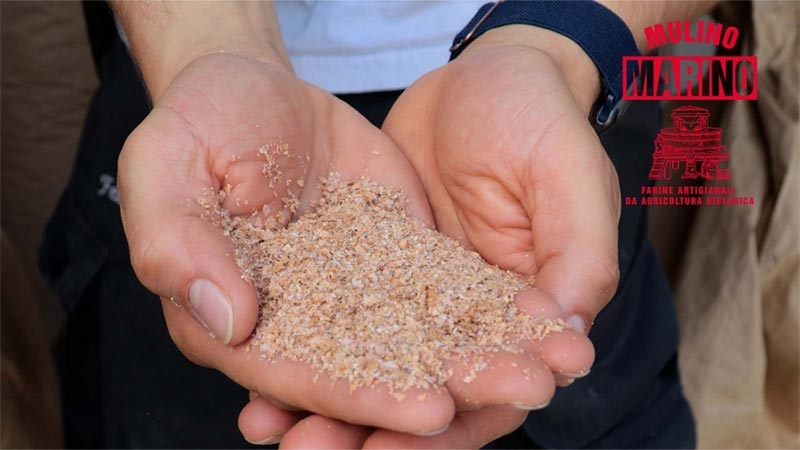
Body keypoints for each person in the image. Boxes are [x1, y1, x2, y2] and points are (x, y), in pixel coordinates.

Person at [40, 1, 709, 447]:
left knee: (576, 393)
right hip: (207, 99)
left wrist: (559, 38)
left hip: (534, 101)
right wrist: (208, 46)